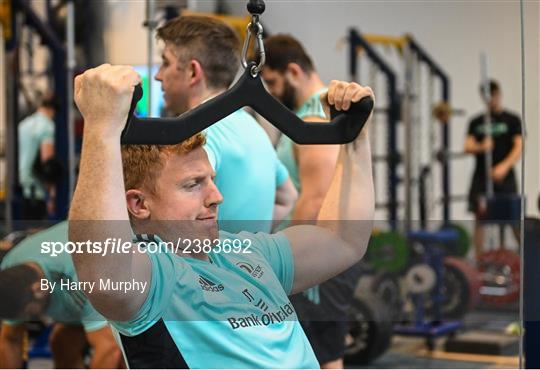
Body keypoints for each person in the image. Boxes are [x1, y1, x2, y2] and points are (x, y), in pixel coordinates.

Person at [68, 63, 374, 368]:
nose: (216, 197)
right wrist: (101, 127)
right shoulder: (153, 278)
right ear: (138, 205)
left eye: (211, 180)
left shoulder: (251, 253)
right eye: (193, 185)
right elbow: (101, 268)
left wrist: (355, 137)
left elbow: (344, 239)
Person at [261, 34, 357, 369]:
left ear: (293, 71)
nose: (270, 93)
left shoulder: (314, 118)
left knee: (322, 359)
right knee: (320, 356)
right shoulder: (310, 113)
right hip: (320, 255)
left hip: (315, 259)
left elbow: (315, 198)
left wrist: (288, 263)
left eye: (272, 81)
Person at [154, 15, 297, 233]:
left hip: (206, 267)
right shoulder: (253, 128)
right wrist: (250, 242)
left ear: (193, 72)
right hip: (255, 264)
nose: (158, 75)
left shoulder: (197, 132)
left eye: (165, 63)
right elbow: (288, 197)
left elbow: (176, 218)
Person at [0, 222, 122, 368]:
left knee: (121, 355)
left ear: (38, 289)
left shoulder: (82, 277)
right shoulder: (9, 269)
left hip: (121, 276)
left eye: (29, 313)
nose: (32, 318)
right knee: (62, 343)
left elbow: (109, 349)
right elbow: (10, 339)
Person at [464, 80, 523, 259]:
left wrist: (503, 167)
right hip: (482, 179)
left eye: (494, 96)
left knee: (513, 219)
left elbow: (519, 146)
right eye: (487, 97)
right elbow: (468, 146)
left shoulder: (512, 120)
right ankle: (480, 263)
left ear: (499, 94)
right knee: (480, 220)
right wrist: (482, 147)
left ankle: (525, 260)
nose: (491, 100)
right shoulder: (476, 122)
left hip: (505, 178)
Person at [18, 93, 59, 220]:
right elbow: (47, 164)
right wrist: (52, 195)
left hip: (22, 188)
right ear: (53, 110)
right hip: (37, 191)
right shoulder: (47, 126)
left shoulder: (24, 124)